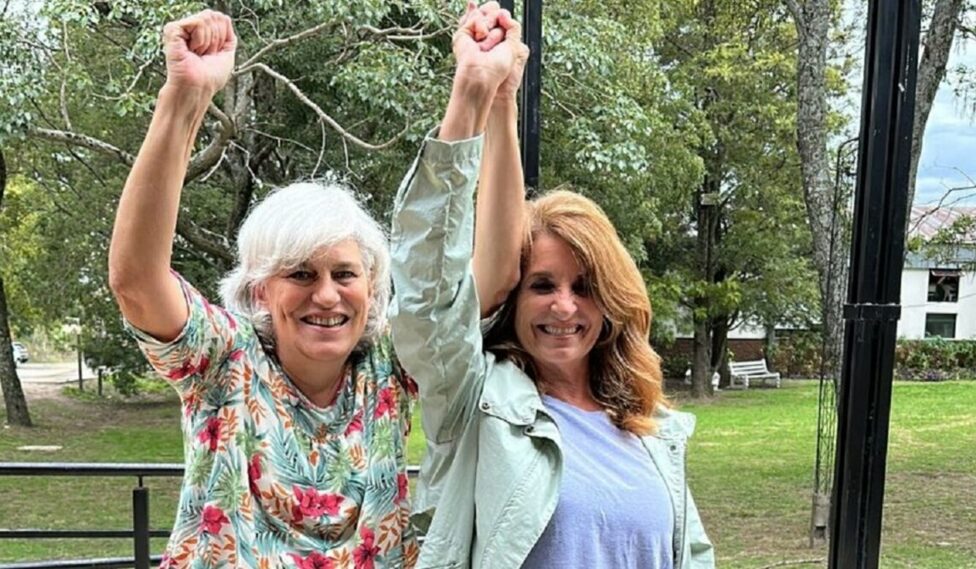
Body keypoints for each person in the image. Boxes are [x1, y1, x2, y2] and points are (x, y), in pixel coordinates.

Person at [108, 6, 525, 568]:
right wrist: (183, 99)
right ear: (260, 291)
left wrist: (493, 100)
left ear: (372, 288)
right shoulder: (224, 362)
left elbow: (492, 279)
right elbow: (136, 282)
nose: (326, 295)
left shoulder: (390, 365)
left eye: (344, 274)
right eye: (301, 274)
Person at [391, 71, 714, 569]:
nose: (564, 306)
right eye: (542, 285)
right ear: (512, 300)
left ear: (610, 303)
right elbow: (428, 295)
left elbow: (691, 554)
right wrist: (481, 98)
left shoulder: (653, 432)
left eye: (584, 288)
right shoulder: (477, 402)